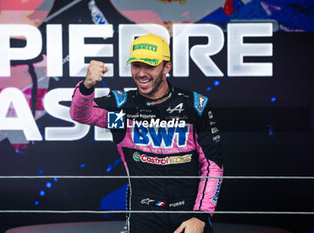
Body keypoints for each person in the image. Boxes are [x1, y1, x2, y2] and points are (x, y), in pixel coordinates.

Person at [70, 33, 223, 233]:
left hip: (190, 213)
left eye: (150, 65)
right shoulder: (121, 105)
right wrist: (87, 86)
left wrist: (201, 215)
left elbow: (212, 164)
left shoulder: (194, 104)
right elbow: (81, 114)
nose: (141, 73)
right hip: (144, 215)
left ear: (166, 67)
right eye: (136, 65)